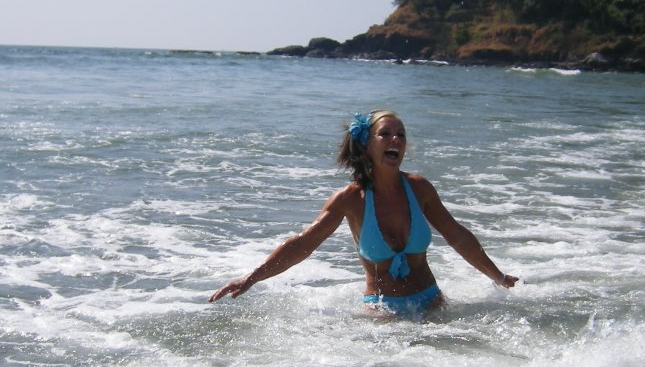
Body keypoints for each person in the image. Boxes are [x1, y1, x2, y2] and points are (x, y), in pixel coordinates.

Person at [209, 109, 518, 316]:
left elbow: (457, 236)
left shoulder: (419, 188)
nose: (396, 139)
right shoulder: (350, 199)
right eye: (385, 134)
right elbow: (304, 243)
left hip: (432, 304)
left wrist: (499, 277)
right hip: (382, 312)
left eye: (401, 134)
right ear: (367, 145)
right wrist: (252, 277)